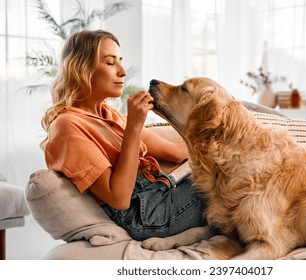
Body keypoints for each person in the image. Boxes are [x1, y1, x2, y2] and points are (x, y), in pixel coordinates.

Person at [41, 29, 207, 241]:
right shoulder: (67, 127)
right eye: (111, 63)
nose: (122, 71)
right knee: (229, 184)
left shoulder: (109, 115)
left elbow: (175, 153)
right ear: (81, 69)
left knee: (229, 173)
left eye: (120, 61)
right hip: (145, 216)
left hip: (162, 192)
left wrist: (216, 136)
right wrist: (134, 127)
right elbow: (119, 199)